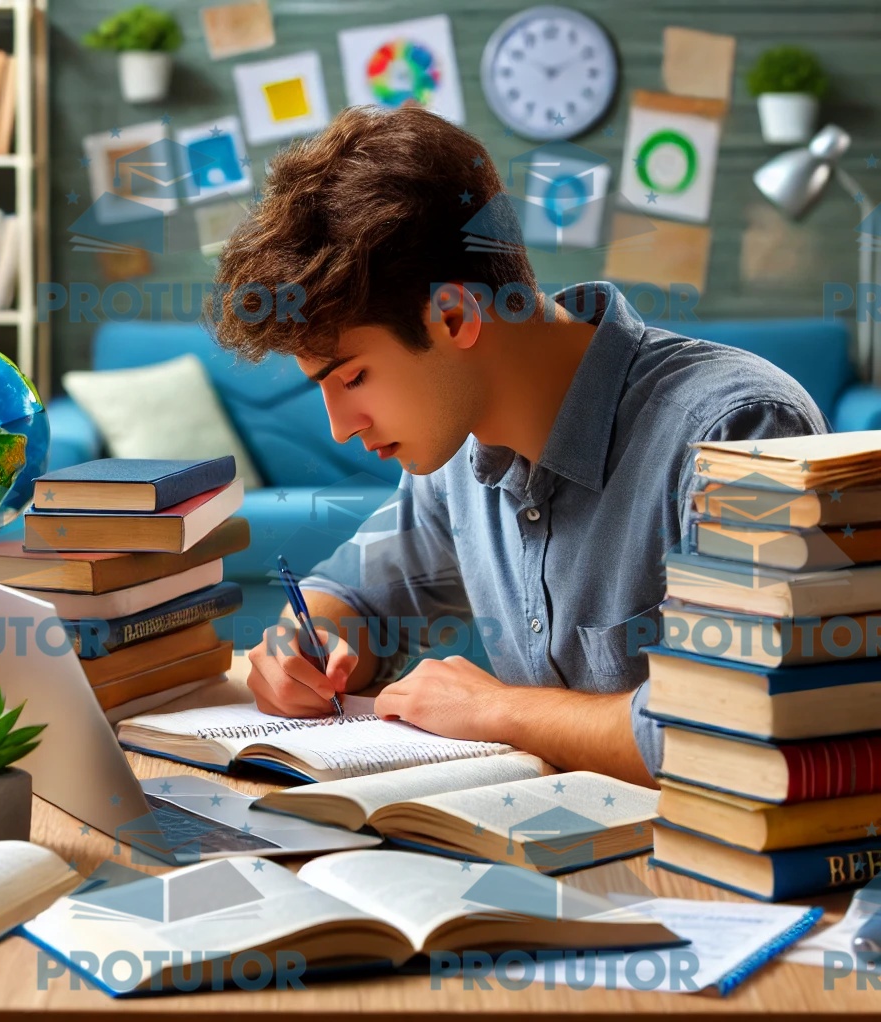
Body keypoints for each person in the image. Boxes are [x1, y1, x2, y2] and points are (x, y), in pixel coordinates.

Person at [209, 104, 828, 787]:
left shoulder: (739, 432)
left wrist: (497, 710)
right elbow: (353, 591)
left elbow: (733, 728)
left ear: (454, 316)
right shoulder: (456, 458)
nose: (340, 426)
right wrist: (308, 643)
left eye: (352, 376)